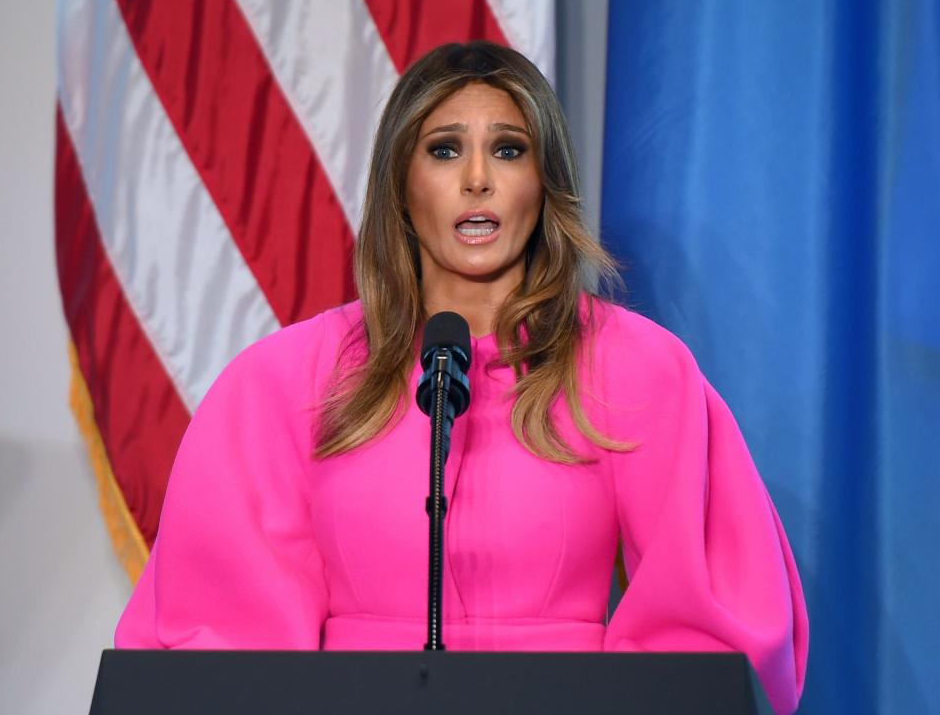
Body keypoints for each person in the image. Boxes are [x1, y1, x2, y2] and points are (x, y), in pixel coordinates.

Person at [115, 42, 808, 713]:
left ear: (545, 181)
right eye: (445, 149)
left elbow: (709, 639)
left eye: (509, 149)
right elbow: (224, 653)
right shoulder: (286, 382)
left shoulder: (636, 368)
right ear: (402, 184)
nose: (477, 177)